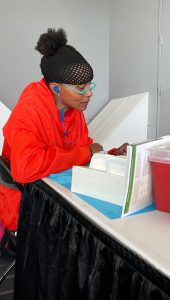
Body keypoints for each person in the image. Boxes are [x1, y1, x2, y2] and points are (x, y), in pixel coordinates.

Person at [0, 28, 127, 232]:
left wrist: (111, 157)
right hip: (26, 208)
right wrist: (86, 152)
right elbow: (25, 169)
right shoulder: (30, 108)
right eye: (81, 88)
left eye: (89, 86)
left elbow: (80, 152)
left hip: (56, 197)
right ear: (56, 88)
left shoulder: (73, 109)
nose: (89, 94)